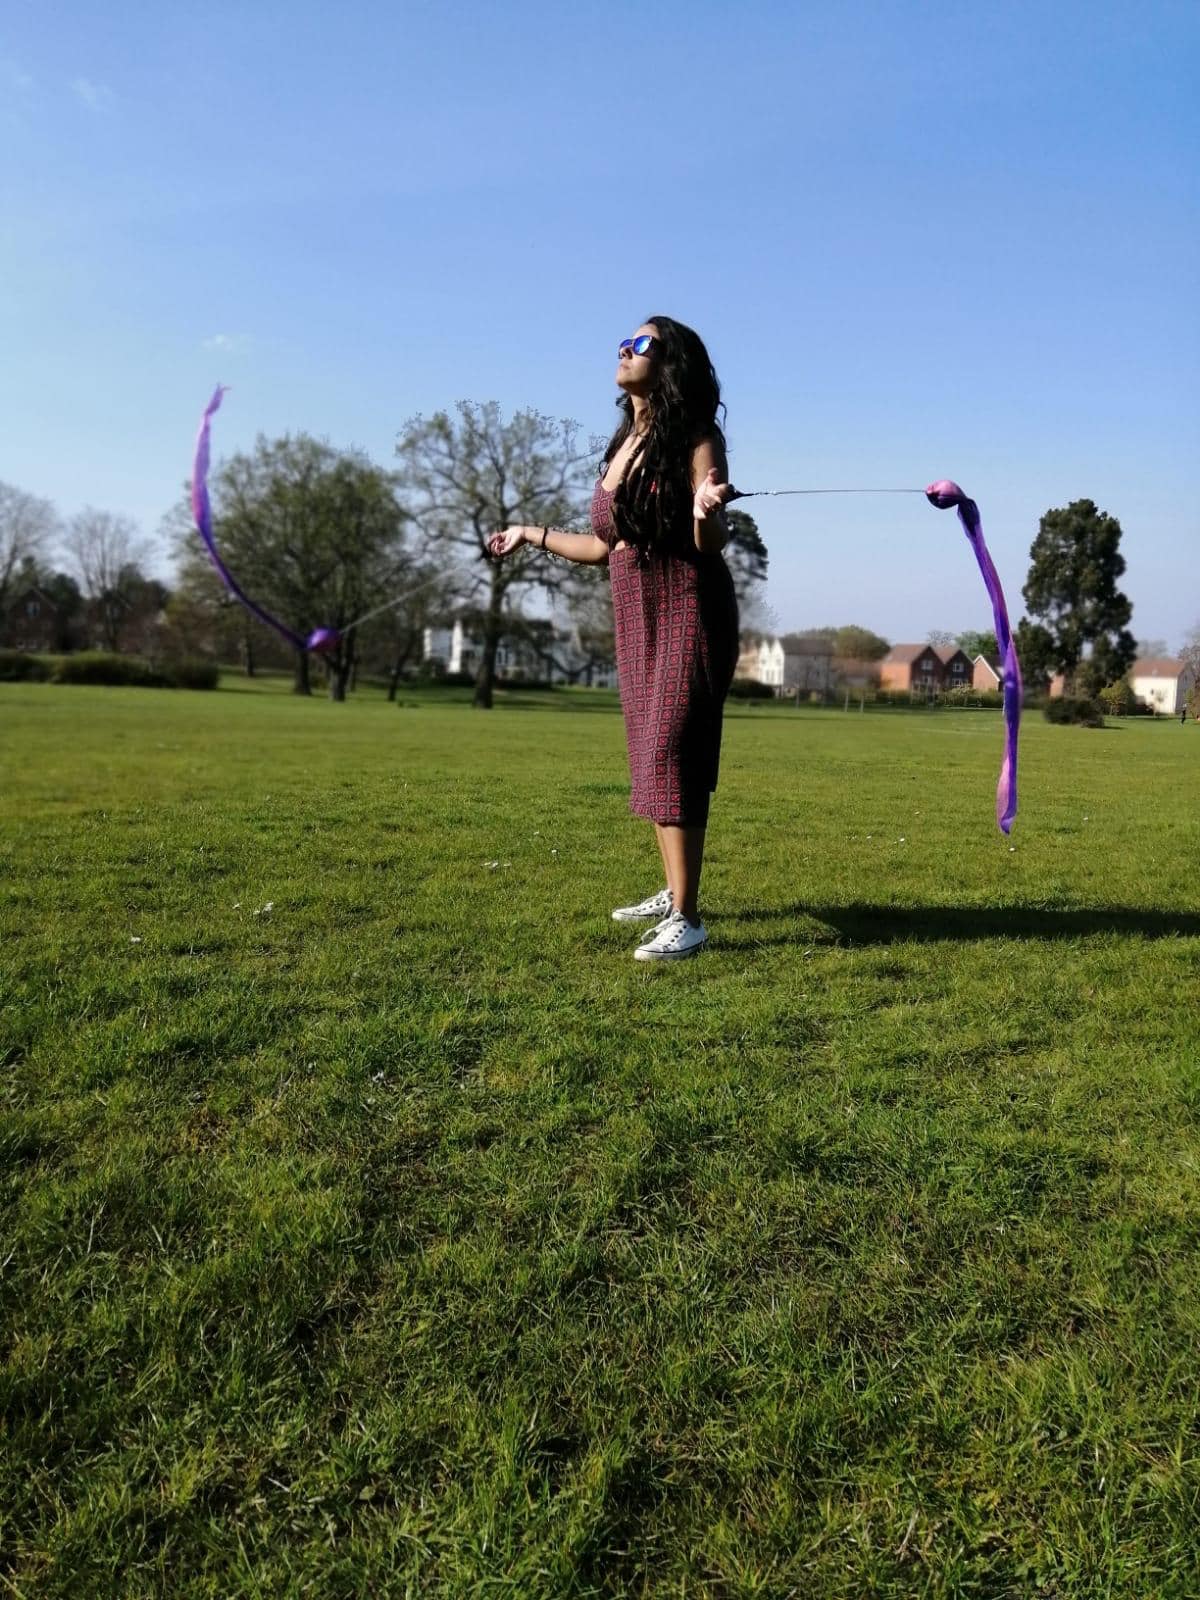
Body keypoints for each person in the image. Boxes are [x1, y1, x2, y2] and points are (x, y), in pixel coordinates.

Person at [488, 317, 739, 961]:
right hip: (636, 610)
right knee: (650, 750)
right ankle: (672, 889)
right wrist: (530, 533)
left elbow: (707, 543)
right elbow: (604, 545)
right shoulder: (627, 440)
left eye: (643, 344)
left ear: (672, 361)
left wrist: (708, 512)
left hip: (688, 603)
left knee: (670, 746)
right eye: (624, 342)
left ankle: (687, 916)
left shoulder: (697, 438)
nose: (626, 350)